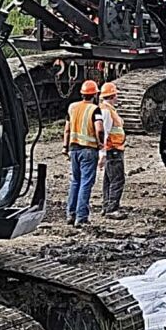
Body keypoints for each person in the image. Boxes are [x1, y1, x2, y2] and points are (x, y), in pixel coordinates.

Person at [63, 80, 103, 227]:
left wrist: (64, 147)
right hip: (88, 150)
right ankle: (81, 217)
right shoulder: (95, 109)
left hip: (74, 149)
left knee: (75, 181)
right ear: (94, 94)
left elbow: (67, 129)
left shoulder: (72, 107)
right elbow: (99, 128)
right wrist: (101, 143)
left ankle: (70, 214)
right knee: (86, 183)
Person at [98, 81, 127, 217]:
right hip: (113, 149)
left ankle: (107, 205)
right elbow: (105, 132)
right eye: (116, 95)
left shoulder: (108, 109)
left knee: (109, 179)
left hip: (113, 149)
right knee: (117, 178)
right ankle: (112, 208)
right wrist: (102, 153)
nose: (117, 97)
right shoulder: (106, 111)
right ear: (112, 95)